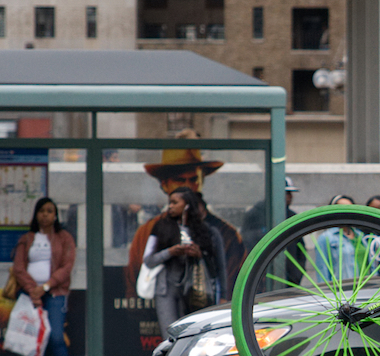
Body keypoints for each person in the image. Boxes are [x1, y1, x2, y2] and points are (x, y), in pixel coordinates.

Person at [124, 134, 245, 299]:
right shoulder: (146, 233)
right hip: (165, 298)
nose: (188, 187)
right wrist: (170, 253)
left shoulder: (226, 235)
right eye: (179, 180)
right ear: (165, 185)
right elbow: (134, 287)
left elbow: (231, 288)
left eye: (194, 179)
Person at [11, 197, 77, 356]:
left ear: (56, 215)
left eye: (50, 211)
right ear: (36, 214)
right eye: (42, 211)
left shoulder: (64, 237)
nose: (45, 215)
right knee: (34, 340)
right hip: (31, 295)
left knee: (56, 337)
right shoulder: (27, 239)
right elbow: (19, 267)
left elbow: (67, 267)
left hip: (55, 293)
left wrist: (46, 286)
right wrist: (33, 290)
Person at [142, 186, 228, 334]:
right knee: (169, 335)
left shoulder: (206, 231)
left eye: (175, 203)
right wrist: (170, 252)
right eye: (170, 202)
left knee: (192, 334)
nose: (171, 206)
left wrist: (199, 255)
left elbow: (218, 266)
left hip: (193, 290)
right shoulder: (160, 227)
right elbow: (148, 260)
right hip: (166, 289)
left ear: (187, 205)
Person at [241, 175, 305, 285]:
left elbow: (301, 250)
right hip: (262, 281)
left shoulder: (292, 217)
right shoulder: (255, 214)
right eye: (287, 193)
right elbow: (247, 243)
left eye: (290, 193)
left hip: (288, 282)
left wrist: (296, 275)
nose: (290, 197)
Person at [315, 195, 366, 282]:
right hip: (342, 291)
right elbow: (322, 271)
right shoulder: (326, 238)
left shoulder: (360, 235)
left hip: (366, 289)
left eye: (350, 209)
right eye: (341, 208)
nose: (346, 212)